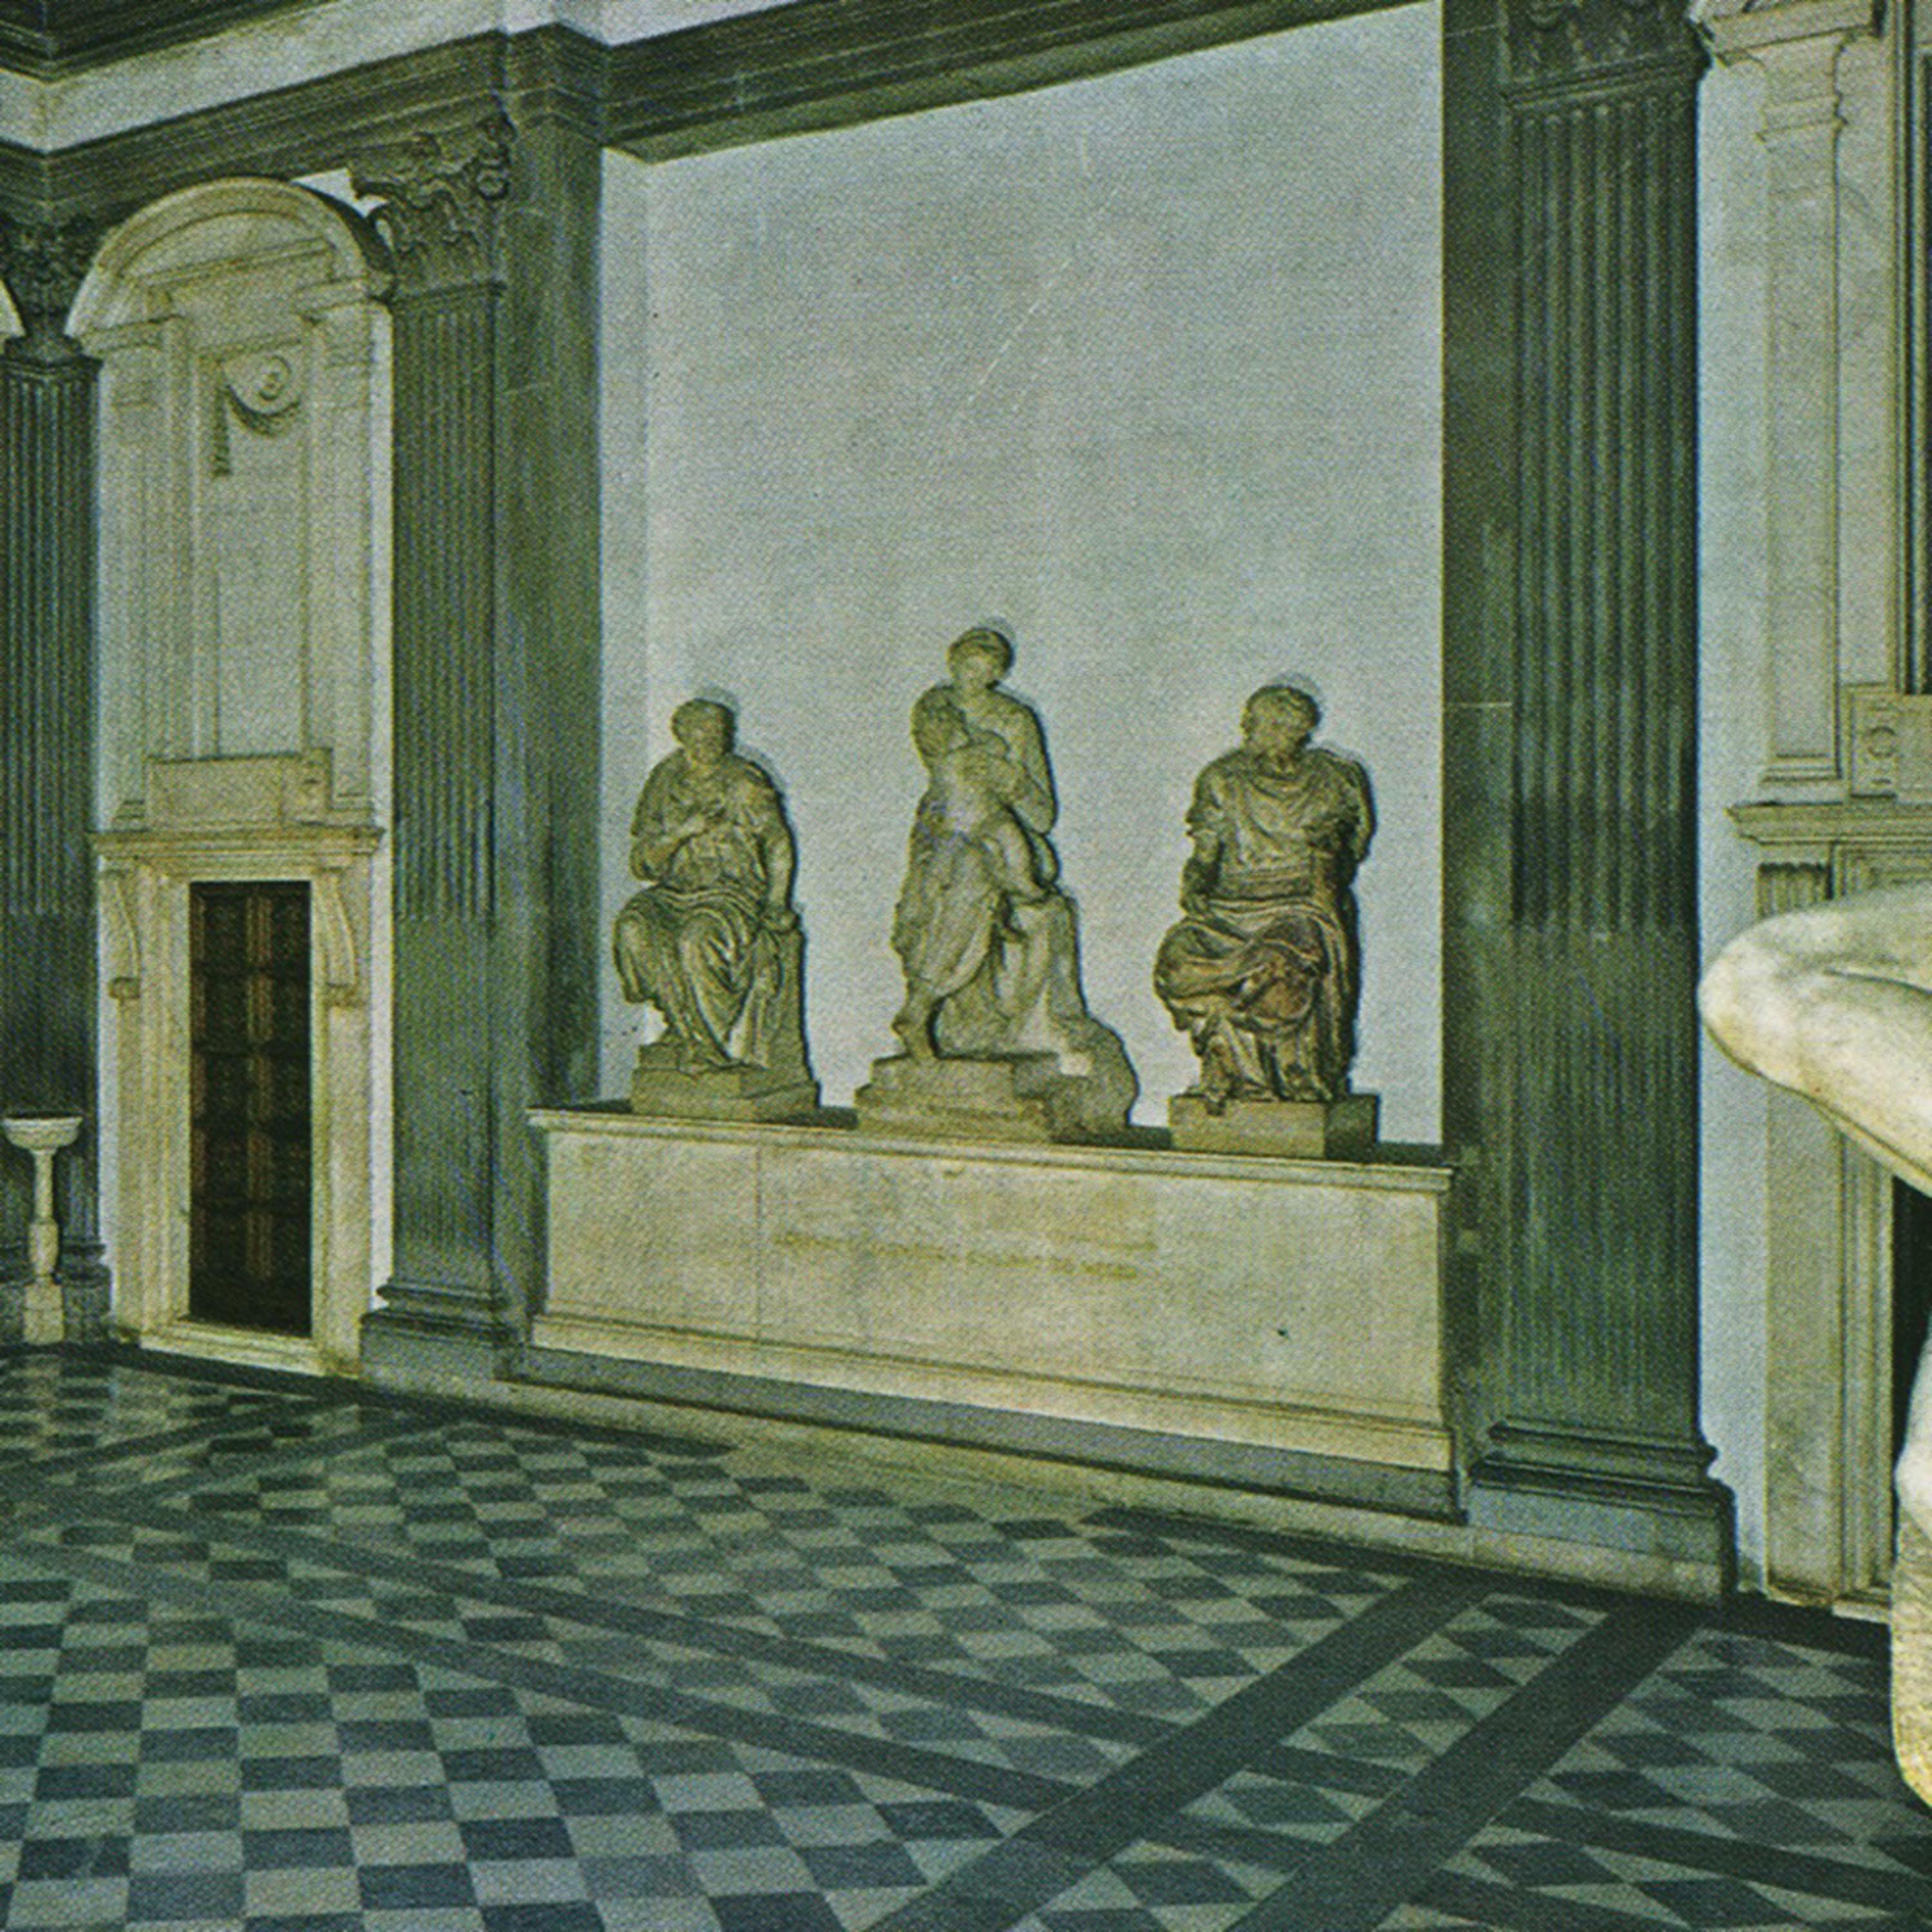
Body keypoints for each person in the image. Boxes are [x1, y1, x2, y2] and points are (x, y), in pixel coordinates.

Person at [1154, 684, 1374, 1110]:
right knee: (1179, 963)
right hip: (1229, 909)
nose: (1249, 731)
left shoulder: (1333, 779)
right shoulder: (1224, 779)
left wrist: (1330, 851)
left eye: (1263, 725)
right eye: (1253, 723)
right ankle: (1226, 1058)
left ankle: (1293, 1072)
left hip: (1299, 906)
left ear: (1294, 730)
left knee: (1280, 966)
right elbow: (1204, 855)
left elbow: (1352, 849)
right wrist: (1195, 885)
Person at [612, 699, 800, 1075]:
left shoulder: (742, 782)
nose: (711, 744)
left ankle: (707, 1047)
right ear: (681, 737)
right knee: (633, 928)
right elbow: (643, 862)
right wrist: (683, 833)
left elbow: (778, 843)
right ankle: (683, 1025)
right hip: (674, 893)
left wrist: (777, 903)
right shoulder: (665, 781)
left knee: (696, 939)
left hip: (729, 894)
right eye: (700, 736)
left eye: (717, 735)